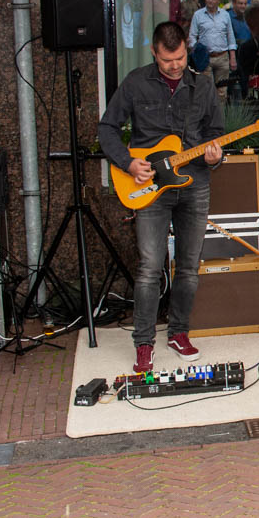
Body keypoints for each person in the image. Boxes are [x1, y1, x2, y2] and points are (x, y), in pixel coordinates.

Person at [98, 22, 224, 373]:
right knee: (150, 268)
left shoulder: (203, 85)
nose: (175, 65)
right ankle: (144, 342)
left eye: (180, 57)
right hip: (150, 187)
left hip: (194, 184)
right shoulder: (136, 82)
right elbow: (107, 128)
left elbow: (215, 133)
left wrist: (215, 157)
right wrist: (127, 163)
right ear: (154, 53)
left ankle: (179, 333)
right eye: (168, 60)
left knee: (189, 267)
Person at [188, 0, 237, 103]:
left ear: (218, 0)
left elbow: (230, 37)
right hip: (205, 58)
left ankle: (220, 114)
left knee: (222, 92)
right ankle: (208, 114)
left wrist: (233, 57)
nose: (210, 1)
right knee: (206, 91)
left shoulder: (225, 15)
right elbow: (192, 36)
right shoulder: (198, 15)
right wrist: (197, 51)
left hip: (222, 57)